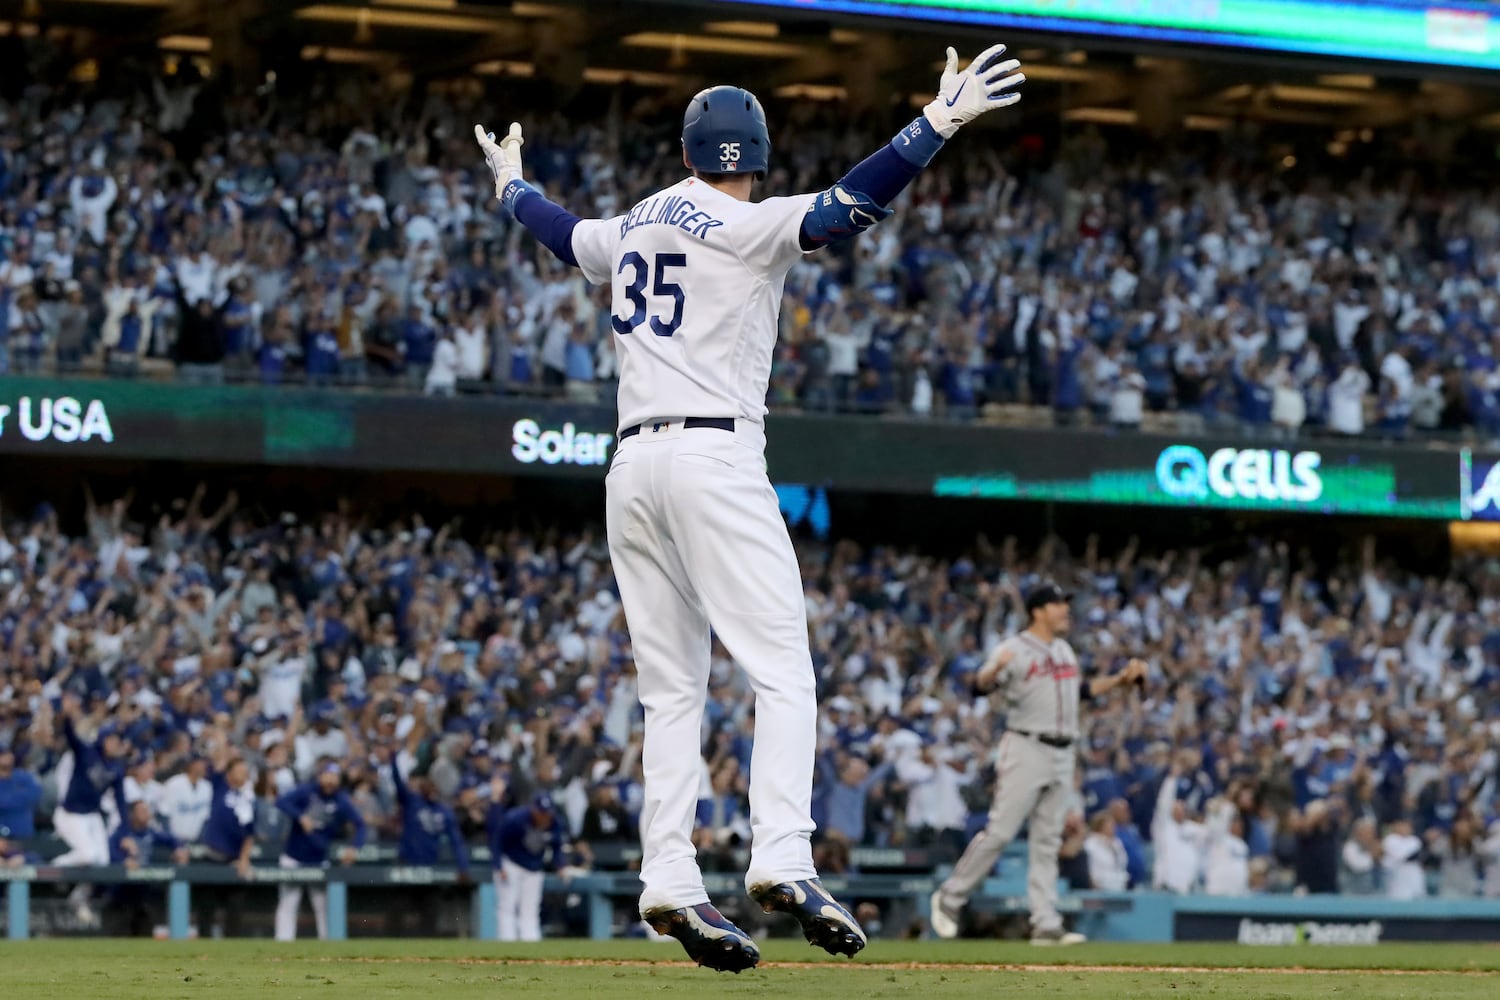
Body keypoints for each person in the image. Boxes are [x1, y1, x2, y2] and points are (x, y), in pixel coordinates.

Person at [476, 41, 1026, 974]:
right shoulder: (753, 221)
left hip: (631, 467)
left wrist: (510, 184)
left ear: (690, 148)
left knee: (671, 692)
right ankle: (781, 858)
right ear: (757, 152)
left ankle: (670, 878)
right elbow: (848, 207)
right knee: (782, 671)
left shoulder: (637, 220)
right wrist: (937, 123)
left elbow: (559, 230)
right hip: (713, 455)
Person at [928, 582, 1147, 944]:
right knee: (1000, 832)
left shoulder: (1064, 650)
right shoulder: (1013, 649)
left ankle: (1045, 923)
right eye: (1058, 604)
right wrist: (991, 671)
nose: (1065, 610)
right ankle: (950, 898)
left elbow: (1082, 692)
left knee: (1047, 841)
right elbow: (981, 686)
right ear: (1038, 611)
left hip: (1062, 751)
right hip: (1026, 745)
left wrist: (1120, 680)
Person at [273, 762, 367, 941]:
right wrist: (300, 816)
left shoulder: (341, 800)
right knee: (288, 905)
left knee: (324, 907)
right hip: (293, 857)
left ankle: (328, 946)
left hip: (319, 859)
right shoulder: (307, 791)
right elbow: (281, 801)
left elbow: (360, 825)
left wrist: (354, 847)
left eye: (335, 777)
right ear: (320, 776)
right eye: (327, 775)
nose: (330, 780)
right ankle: (283, 945)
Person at [388, 755, 471, 933]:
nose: (430, 787)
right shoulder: (412, 801)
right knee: (397, 908)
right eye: (425, 783)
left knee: (430, 912)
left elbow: (456, 841)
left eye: (432, 783)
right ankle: (392, 945)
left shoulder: (444, 811)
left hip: (430, 865)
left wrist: (463, 867)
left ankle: (425, 950)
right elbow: (397, 782)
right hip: (406, 863)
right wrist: (393, 758)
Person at [489, 792, 566, 942]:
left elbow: (557, 846)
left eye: (547, 813)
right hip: (511, 863)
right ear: (533, 809)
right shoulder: (515, 819)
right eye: (541, 812)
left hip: (534, 867)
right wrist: (499, 866)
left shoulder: (555, 822)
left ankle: (530, 944)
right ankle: (507, 943)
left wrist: (560, 865)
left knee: (530, 909)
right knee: (507, 906)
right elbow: (497, 841)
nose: (544, 816)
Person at [106, 800, 190, 936]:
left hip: (142, 891)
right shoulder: (122, 833)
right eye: (142, 811)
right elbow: (108, 854)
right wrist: (123, 860)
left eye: (147, 811)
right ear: (132, 814)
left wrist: (180, 849)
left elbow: (173, 840)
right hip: (121, 892)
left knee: (144, 928)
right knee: (120, 929)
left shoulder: (150, 833)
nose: (147, 814)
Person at [0, 746, 42, 839]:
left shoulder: (24, 776)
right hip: (3, 837)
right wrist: (20, 796)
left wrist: (8, 799)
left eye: (7, 753)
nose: (7, 757)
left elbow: (35, 795)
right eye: (2, 755)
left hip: (25, 832)